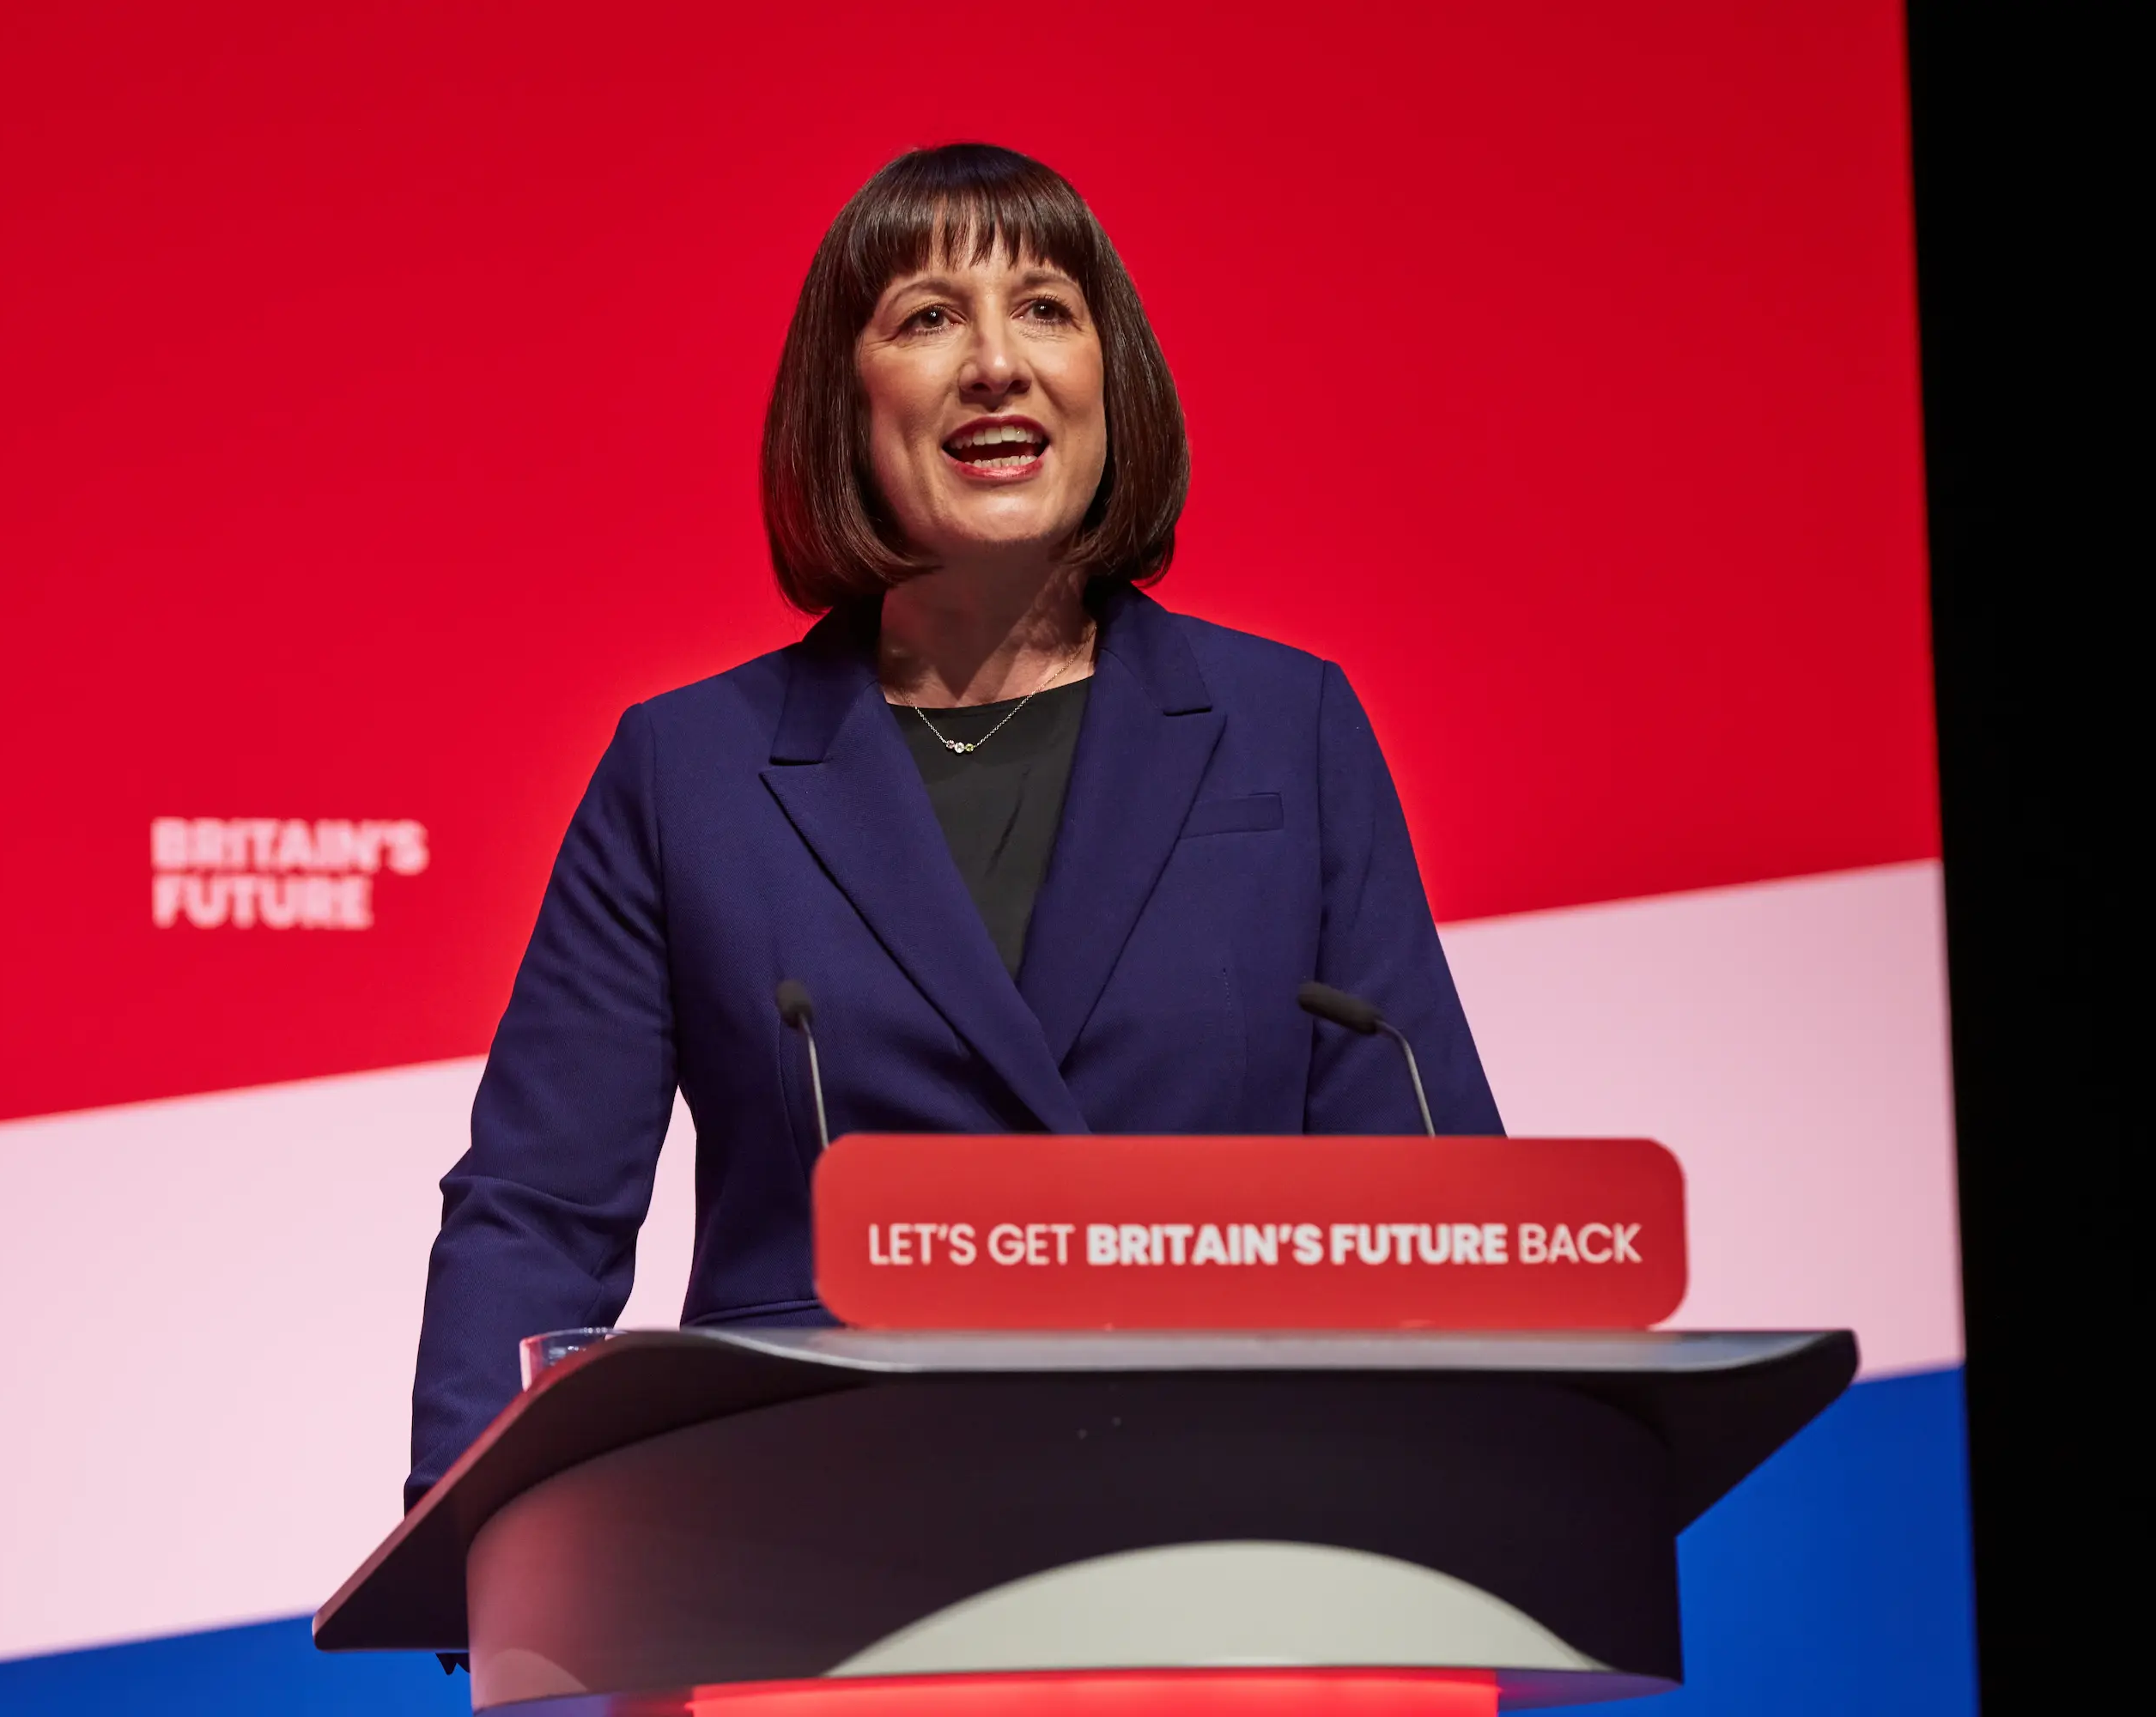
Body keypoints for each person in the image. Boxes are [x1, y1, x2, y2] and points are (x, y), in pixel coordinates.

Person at [406, 143, 1500, 1506]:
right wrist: (477, 1545)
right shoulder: (689, 771)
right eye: (929, 317)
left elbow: (1426, 1195)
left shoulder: (1290, 730)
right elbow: (538, 1210)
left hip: (1233, 1521)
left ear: (1113, 380)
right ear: (845, 399)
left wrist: (1486, 1486)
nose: (997, 361)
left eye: (1046, 307)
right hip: (810, 1542)